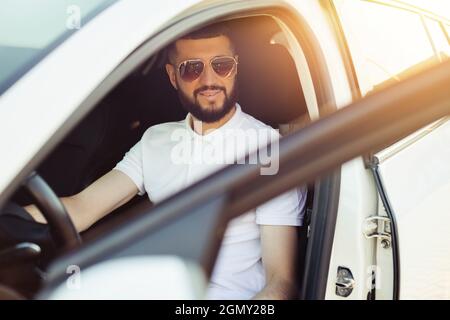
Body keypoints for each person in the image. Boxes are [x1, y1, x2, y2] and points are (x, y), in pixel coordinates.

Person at [25, 22, 306, 300]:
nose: (209, 80)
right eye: (192, 68)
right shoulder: (155, 140)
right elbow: (82, 208)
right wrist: (11, 217)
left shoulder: (270, 150)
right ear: (173, 76)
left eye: (221, 65)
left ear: (236, 67)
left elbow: (280, 281)